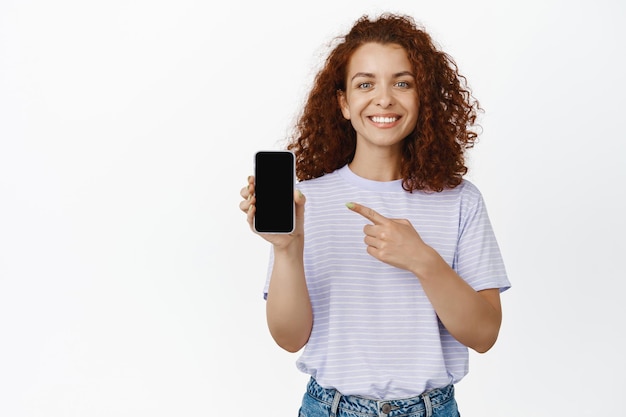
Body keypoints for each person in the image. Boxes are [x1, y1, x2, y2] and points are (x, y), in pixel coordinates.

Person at [239, 12, 510, 417]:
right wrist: (287, 249)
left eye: (403, 83)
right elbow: (290, 338)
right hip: (328, 408)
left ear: (423, 99)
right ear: (344, 103)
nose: (384, 98)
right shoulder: (305, 202)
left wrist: (423, 260)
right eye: (365, 84)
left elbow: (485, 334)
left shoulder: (460, 201)